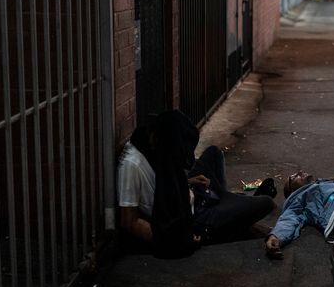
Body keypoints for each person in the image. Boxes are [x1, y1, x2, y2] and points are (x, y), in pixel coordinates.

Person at [118, 110, 276, 258]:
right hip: (194, 216)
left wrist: (187, 181)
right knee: (266, 203)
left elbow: (164, 183)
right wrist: (179, 238)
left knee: (214, 153)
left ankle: (228, 203)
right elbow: (129, 221)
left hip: (190, 195)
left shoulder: (151, 145)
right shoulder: (131, 165)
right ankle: (229, 210)